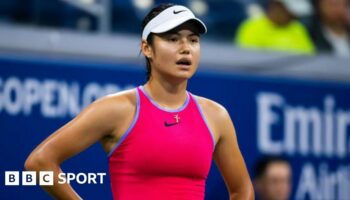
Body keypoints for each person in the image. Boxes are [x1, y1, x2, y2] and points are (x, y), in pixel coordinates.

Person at [24, 3, 254, 200]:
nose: (186, 49)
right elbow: (39, 163)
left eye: (193, 40)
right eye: (173, 39)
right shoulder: (118, 109)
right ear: (147, 48)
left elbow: (242, 189)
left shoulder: (216, 116)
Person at [235, 0, 315, 54]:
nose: (294, 17)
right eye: (290, 12)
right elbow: (249, 60)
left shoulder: (298, 28)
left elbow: (310, 57)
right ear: (277, 6)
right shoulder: (252, 27)